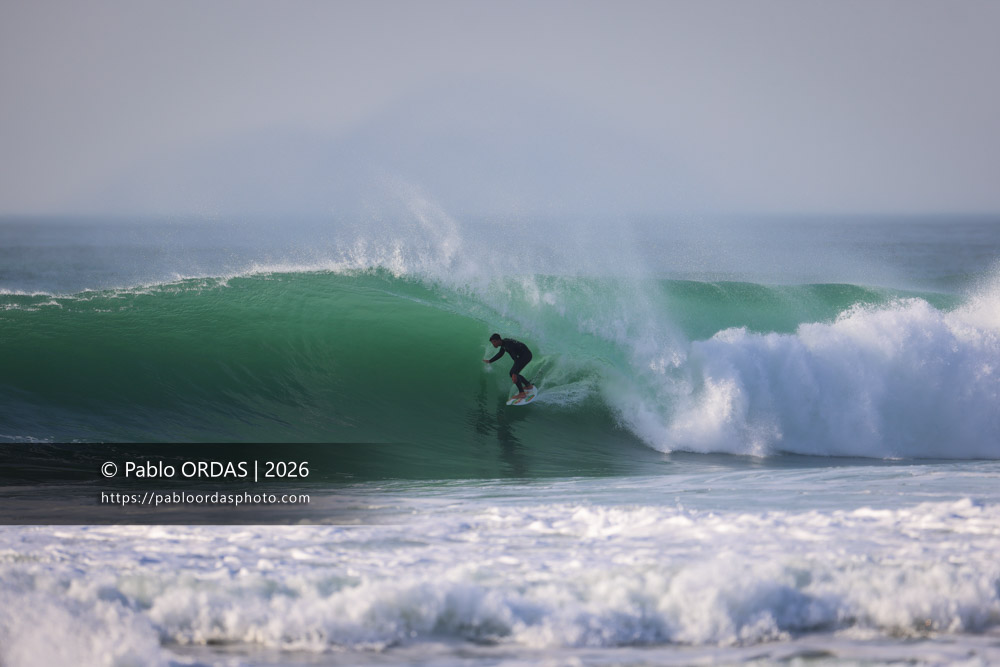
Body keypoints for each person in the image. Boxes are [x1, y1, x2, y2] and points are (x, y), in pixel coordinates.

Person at [483, 333, 535, 399]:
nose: (493, 344)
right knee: (512, 373)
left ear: (499, 340)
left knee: (513, 373)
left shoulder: (509, 346)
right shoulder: (504, 343)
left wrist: (515, 373)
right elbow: (500, 353)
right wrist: (490, 361)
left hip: (525, 356)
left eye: (494, 342)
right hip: (522, 356)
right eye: (492, 342)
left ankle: (522, 393)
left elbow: (517, 360)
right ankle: (528, 385)